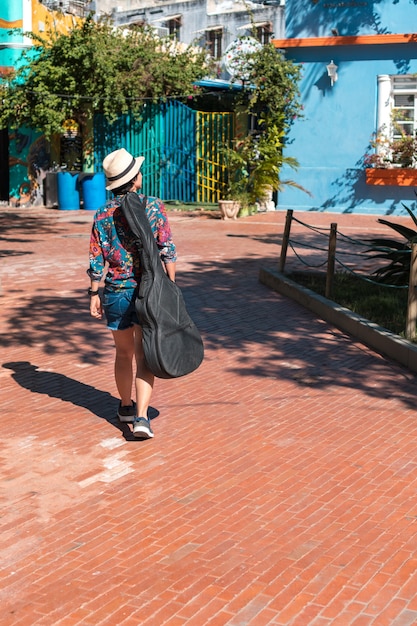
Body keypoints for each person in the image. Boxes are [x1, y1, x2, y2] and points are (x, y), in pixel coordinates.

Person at [87, 148, 177, 439]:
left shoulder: (102, 213)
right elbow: (167, 251)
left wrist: (93, 293)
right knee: (143, 354)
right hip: (148, 290)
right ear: (135, 179)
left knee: (123, 353)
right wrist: (170, 288)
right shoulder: (152, 206)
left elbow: (96, 259)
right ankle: (141, 418)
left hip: (115, 292)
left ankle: (125, 405)